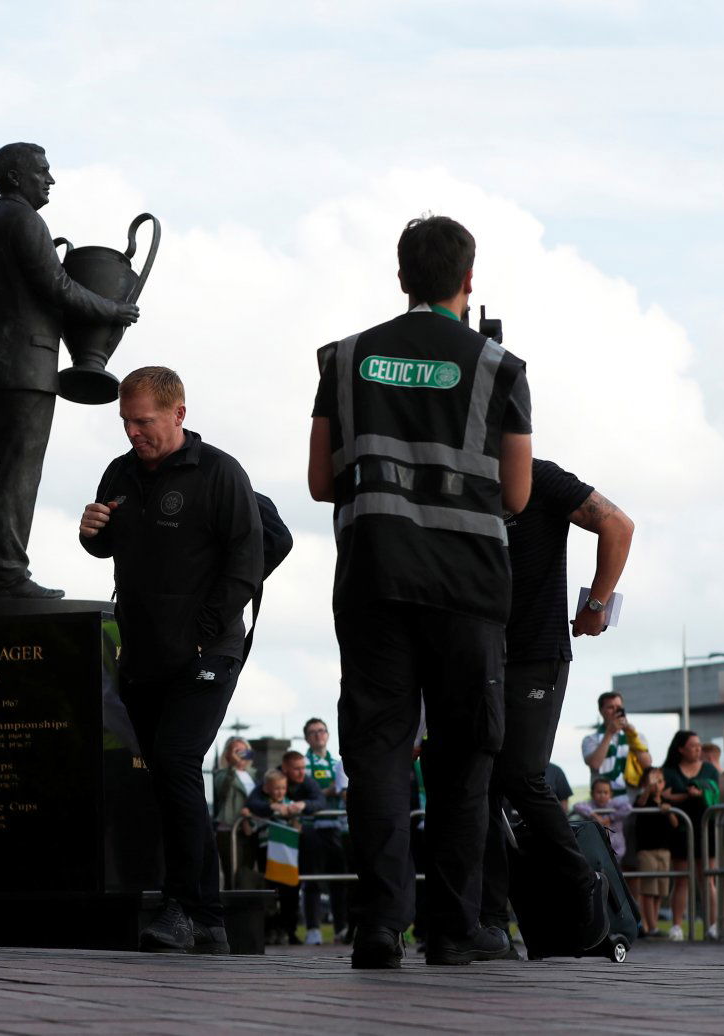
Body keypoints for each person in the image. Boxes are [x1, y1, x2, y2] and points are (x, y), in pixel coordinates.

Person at [307, 214, 532, 969]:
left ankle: (378, 926)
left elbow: (318, 482)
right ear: (469, 281)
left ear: (401, 277)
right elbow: (520, 493)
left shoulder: (344, 359)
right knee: (464, 758)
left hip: (373, 580)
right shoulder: (500, 367)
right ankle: (453, 930)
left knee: (379, 752)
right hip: (468, 589)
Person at [79, 366, 264, 954]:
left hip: (207, 655)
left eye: (144, 421)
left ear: (178, 414)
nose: (133, 432)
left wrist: (205, 635)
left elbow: (248, 559)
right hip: (142, 655)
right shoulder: (120, 472)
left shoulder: (219, 473)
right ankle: (209, 918)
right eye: (126, 422)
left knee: (176, 762)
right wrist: (91, 532)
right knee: (170, 779)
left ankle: (180, 908)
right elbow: (107, 545)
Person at [0, 142, 139, 603]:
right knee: (17, 473)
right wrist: (113, 308)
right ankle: (7, 573)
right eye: (42, 171)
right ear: (14, 177)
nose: (50, 179)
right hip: (23, 367)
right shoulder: (25, 220)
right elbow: (59, 288)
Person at [479, 457, 634, 959]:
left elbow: (617, 524)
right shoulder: (457, 477)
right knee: (478, 782)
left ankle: (580, 879)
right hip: (477, 653)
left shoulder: (539, 476)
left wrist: (596, 605)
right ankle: (491, 923)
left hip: (535, 654)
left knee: (522, 775)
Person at [661, 729, 720, 942]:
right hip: (681, 830)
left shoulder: (709, 769)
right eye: (693, 746)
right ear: (681, 749)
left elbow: (714, 792)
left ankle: (712, 924)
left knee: (708, 878)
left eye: (699, 745)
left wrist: (695, 792)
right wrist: (687, 794)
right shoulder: (669, 770)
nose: (698, 749)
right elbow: (663, 795)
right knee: (682, 879)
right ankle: (677, 925)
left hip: (706, 828)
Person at [301, 718, 349, 945]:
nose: (318, 735)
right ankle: (313, 928)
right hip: (311, 828)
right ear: (306, 738)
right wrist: (328, 791)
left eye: (322, 730)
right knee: (312, 880)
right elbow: (307, 794)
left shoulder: (338, 763)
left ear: (328, 734)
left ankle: (341, 928)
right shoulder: (303, 764)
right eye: (313, 732)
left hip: (336, 827)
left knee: (339, 880)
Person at [247, 771, 303, 945]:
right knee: (270, 892)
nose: (280, 792)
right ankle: (269, 930)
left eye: (283, 788)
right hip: (267, 851)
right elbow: (250, 829)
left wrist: (294, 815)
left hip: (288, 854)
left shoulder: (290, 805)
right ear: (267, 788)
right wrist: (248, 816)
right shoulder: (261, 808)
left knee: (291, 892)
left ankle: (289, 930)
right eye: (276, 788)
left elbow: (298, 828)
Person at [631, 767, 677, 938]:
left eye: (659, 781)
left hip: (664, 851)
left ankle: (654, 925)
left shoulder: (665, 801)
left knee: (659, 891)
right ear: (644, 784)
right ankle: (650, 926)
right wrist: (648, 791)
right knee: (648, 890)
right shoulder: (642, 799)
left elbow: (675, 823)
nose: (656, 785)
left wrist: (668, 809)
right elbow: (640, 804)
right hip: (647, 851)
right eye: (652, 781)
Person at [583, 693, 651, 793]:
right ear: (601, 711)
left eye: (619, 707)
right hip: (605, 800)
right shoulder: (590, 739)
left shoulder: (637, 736)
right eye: (611, 707)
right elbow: (595, 764)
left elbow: (647, 764)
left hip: (633, 797)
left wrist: (632, 736)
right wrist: (609, 733)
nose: (616, 711)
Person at [213, 736, 257, 883]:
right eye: (237, 751)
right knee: (232, 873)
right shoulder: (222, 774)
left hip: (249, 829)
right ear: (228, 754)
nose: (241, 755)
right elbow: (222, 790)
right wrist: (233, 765)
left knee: (247, 873)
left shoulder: (253, 774)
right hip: (229, 830)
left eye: (244, 751)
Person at [572, 777, 630, 860]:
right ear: (592, 793)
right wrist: (594, 814)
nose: (602, 795)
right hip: (596, 849)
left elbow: (627, 808)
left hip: (616, 849)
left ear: (611, 794)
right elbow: (577, 806)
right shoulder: (591, 805)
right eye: (599, 792)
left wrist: (610, 818)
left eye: (605, 792)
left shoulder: (614, 804)